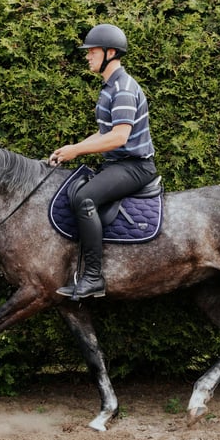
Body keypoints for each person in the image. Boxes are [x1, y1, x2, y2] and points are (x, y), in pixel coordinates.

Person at [49, 23, 157, 300]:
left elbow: (119, 137)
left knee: (84, 198)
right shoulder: (110, 87)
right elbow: (103, 133)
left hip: (135, 167)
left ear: (110, 52)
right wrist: (70, 149)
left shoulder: (122, 88)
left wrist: (78, 151)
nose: (87, 56)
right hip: (118, 165)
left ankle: (94, 277)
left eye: (92, 51)